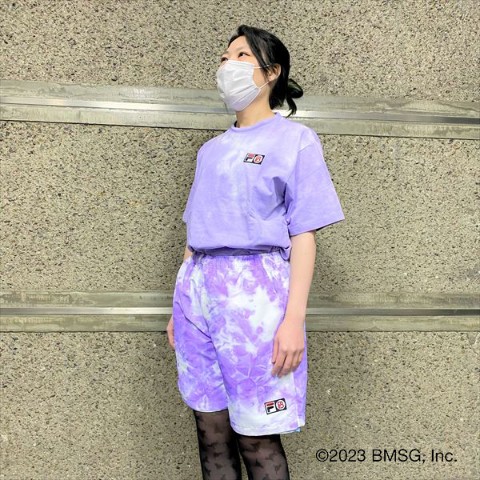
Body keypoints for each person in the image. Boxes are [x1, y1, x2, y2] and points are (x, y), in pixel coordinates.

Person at [167, 24, 345, 480]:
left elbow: (303, 233)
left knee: (257, 435)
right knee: (210, 429)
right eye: (225, 56)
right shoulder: (210, 151)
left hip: (257, 295)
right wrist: (179, 307)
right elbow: (196, 232)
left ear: (271, 72)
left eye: (242, 55)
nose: (228, 64)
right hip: (198, 290)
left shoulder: (295, 141)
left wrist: (293, 320)